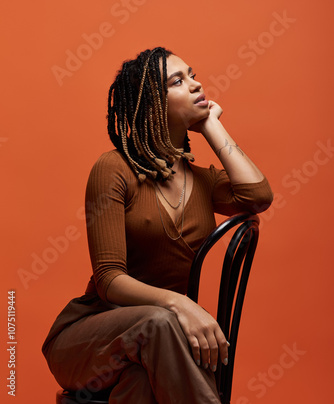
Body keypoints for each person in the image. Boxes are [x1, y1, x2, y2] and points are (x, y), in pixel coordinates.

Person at [42, 47, 273, 404]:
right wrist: (182, 306)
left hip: (159, 345)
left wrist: (212, 124)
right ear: (151, 103)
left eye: (193, 75)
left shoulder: (203, 182)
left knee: (144, 380)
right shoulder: (113, 169)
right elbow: (108, 279)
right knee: (159, 323)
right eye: (178, 81)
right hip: (90, 340)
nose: (196, 84)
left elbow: (257, 196)